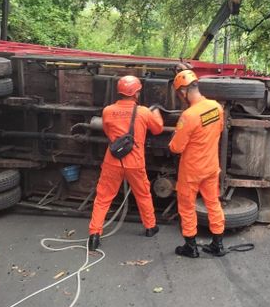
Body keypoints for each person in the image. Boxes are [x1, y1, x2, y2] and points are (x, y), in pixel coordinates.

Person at [88, 75, 164, 251]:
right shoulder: (144, 112)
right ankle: (150, 227)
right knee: (143, 195)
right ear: (137, 93)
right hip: (135, 163)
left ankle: (94, 235)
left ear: (119, 92)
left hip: (112, 161)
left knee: (102, 198)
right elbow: (158, 129)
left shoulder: (107, 110)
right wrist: (157, 113)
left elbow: (108, 132)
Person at [169, 70, 226, 258]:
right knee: (213, 203)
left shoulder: (188, 116)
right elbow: (218, 131)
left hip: (191, 171)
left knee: (186, 206)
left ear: (183, 92)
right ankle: (218, 244)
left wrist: (172, 140)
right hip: (211, 167)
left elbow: (176, 148)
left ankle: (190, 247)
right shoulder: (216, 107)